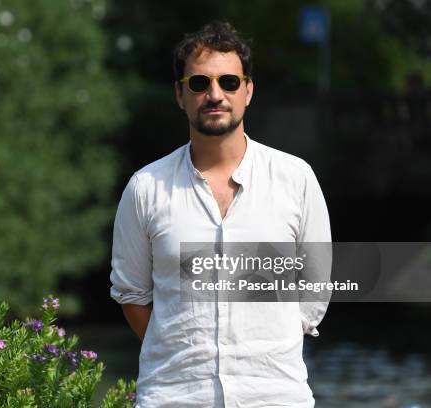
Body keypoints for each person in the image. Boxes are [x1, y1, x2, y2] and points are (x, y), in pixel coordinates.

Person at [109, 21, 332, 407]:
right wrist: (181, 353)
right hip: (174, 397)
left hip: (276, 396)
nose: (215, 94)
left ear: (248, 90)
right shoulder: (146, 187)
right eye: (199, 83)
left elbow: (315, 289)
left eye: (229, 82)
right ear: (180, 94)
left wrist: (263, 345)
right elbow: (132, 294)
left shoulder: (295, 179)